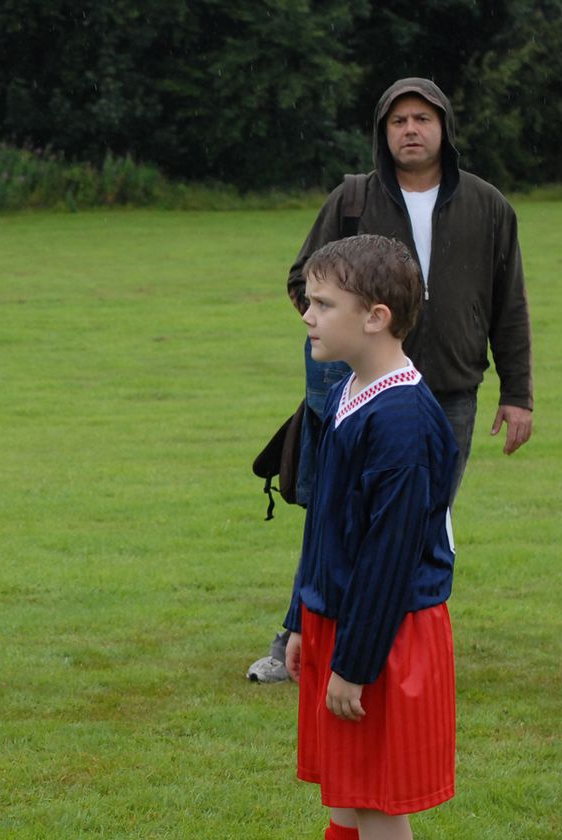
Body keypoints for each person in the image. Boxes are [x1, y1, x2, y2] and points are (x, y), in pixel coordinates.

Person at [248, 77, 532, 684]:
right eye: (398, 120)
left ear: (444, 129)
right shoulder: (353, 197)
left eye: (422, 119)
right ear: (383, 132)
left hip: (449, 388)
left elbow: (511, 304)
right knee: (332, 512)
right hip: (356, 385)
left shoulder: (488, 206)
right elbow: (304, 276)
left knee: (419, 519)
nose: (410, 129)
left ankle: (393, 642)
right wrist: (357, 330)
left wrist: (518, 393)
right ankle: (298, 633)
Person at [285, 235, 458, 840]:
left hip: (387, 633)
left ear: (376, 318)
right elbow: (324, 526)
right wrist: (301, 619)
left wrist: (354, 665)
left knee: (379, 805)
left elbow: (389, 560)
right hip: (341, 620)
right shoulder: (346, 392)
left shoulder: (402, 423)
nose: (308, 315)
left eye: (323, 303)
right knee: (346, 797)